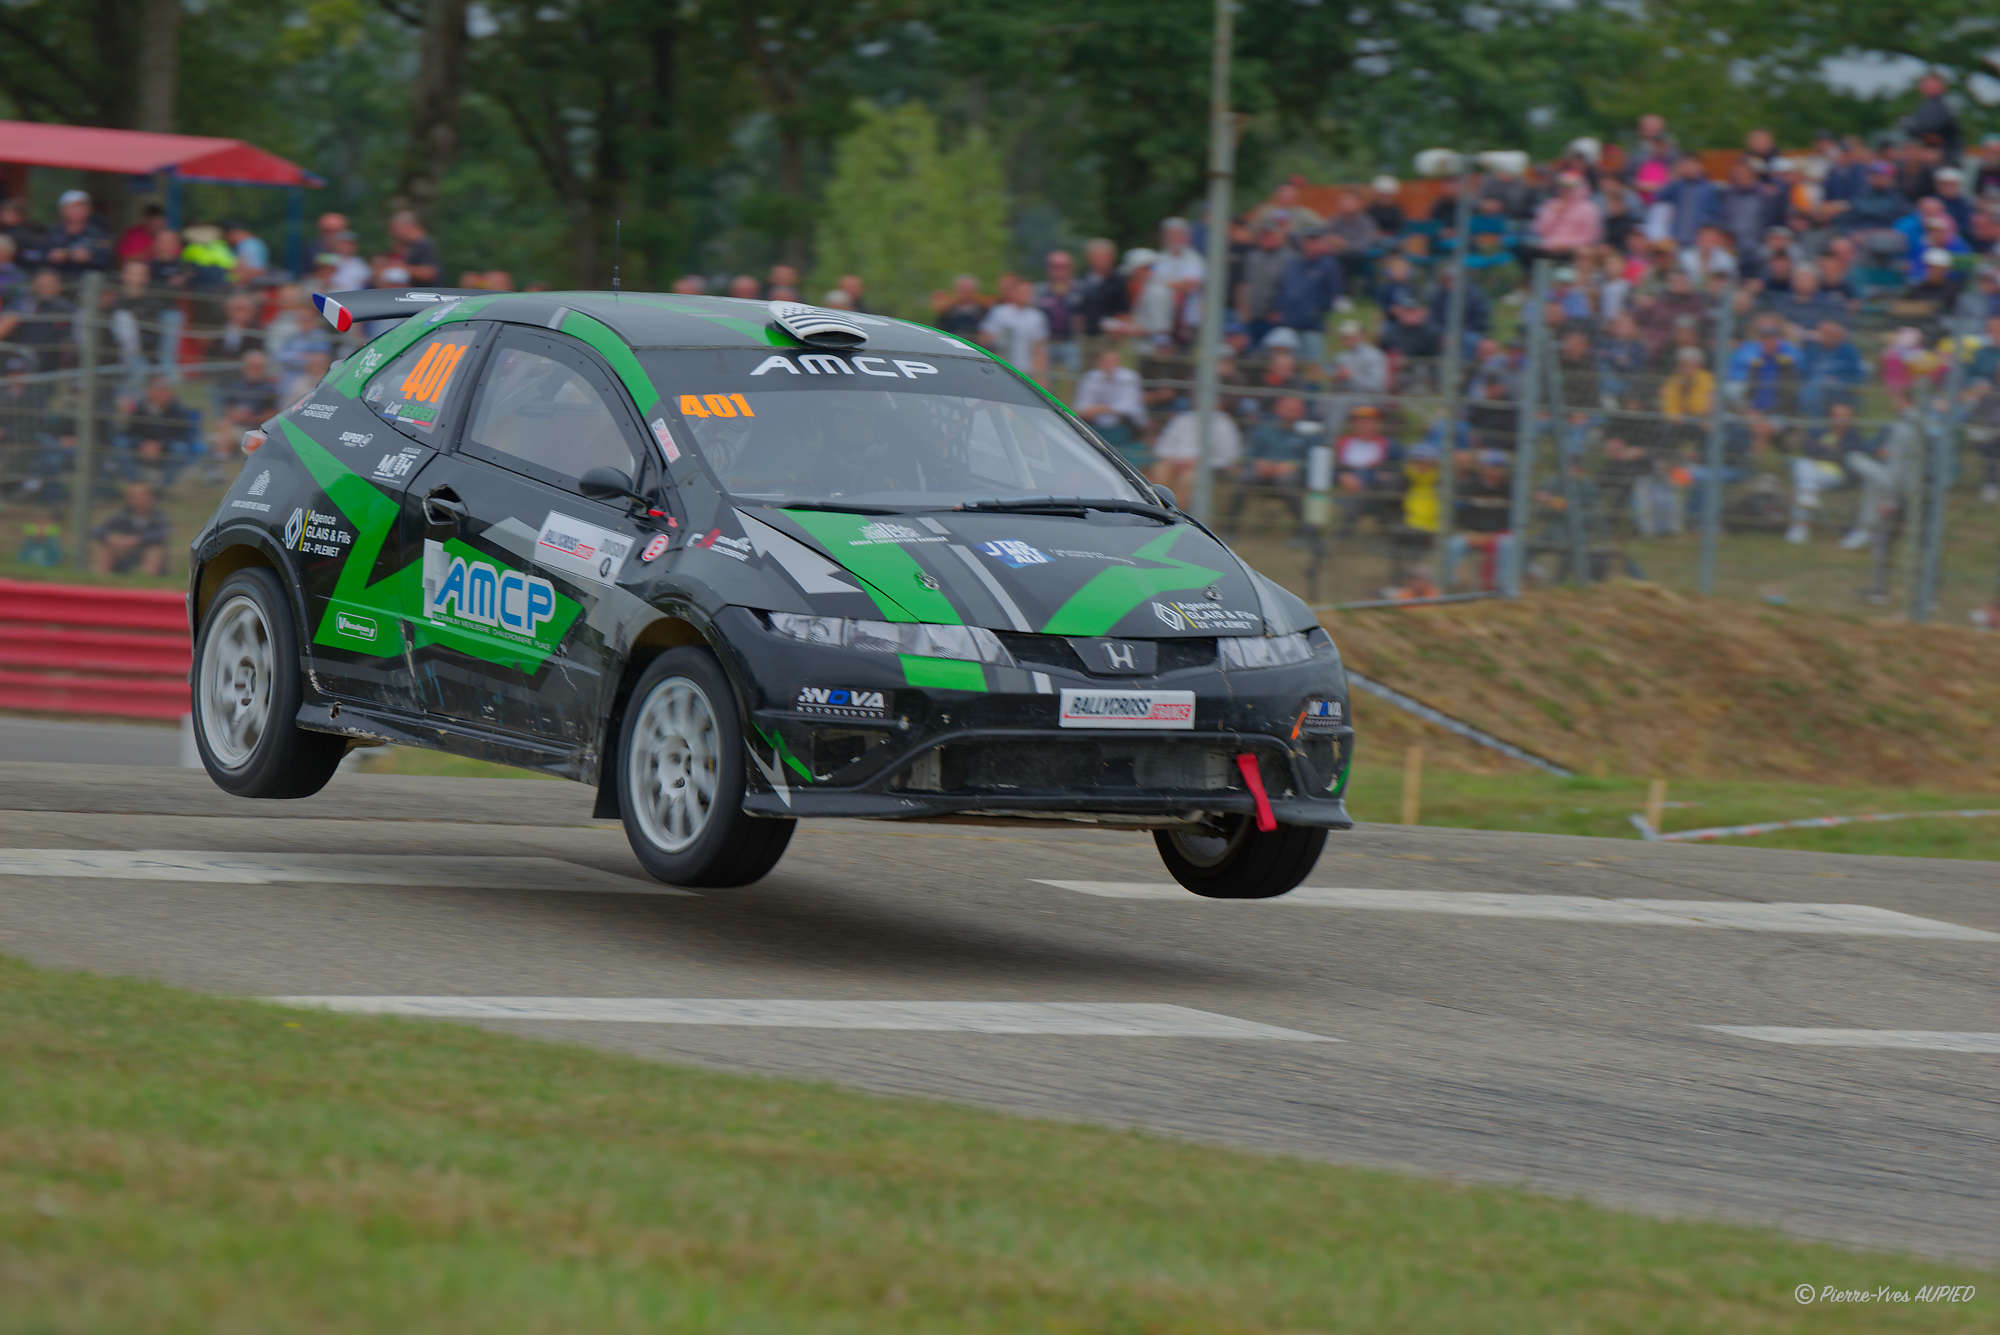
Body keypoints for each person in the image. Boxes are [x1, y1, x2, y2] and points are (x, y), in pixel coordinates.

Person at [1787, 399, 1866, 543]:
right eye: (1837, 416)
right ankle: (1801, 524)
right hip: (1814, 470)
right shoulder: (1821, 430)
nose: (1840, 420)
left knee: (1803, 478)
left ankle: (1799, 529)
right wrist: (1829, 451)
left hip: (1837, 475)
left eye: (1844, 416)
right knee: (1801, 465)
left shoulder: (1853, 436)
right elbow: (1807, 446)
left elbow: (1844, 457)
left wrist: (1822, 451)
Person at [1072, 347, 1146, 469]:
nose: (1109, 364)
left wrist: (1099, 409)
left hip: (1124, 428)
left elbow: (1129, 408)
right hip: (1095, 426)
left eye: (1113, 361)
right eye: (1106, 360)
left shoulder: (1130, 377)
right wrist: (1108, 410)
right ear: (1099, 361)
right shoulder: (1090, 377)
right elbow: (1081, 408)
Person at [1150, 402, 1241, 502]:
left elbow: (1227, 458)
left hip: (1203, 469)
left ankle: (1175, 512)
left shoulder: (1224, 423)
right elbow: (1163, 447)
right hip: (1174, 463)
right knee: (1160, 470)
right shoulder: (1183, 419)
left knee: (1188, 478)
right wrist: (1175, 461)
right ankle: (1154, 506)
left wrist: (1198, 463)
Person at [91, 481, 170, 576]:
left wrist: (137, 540)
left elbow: (162, 533)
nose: (137, 499)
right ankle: (100, 579)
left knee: (155, 551)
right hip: (124, 552)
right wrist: (111, 538)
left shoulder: (158, 516)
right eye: (133, 496)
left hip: (145, 550)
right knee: (107, 549)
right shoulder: (122, 515)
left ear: (151, 498)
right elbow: (99, 530)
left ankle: (146, 580)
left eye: (141, 496)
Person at [978, 276, 1049, 378]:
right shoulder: (999, 312)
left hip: (1026, 372)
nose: (1027, 295)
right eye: (1024, 292)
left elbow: (1039, 348)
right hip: (1001, 367)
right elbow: (984, 338)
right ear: (1015, 292)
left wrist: (1040, 376)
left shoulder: (1037, 317)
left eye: (1029, 292)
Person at [42, 190, 111, 281]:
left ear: (89, 210)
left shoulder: (99, 234)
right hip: (56, 279)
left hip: (87, 281)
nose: (76, 211)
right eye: (72, 207)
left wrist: (89, 257)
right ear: (62, 210)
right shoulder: (51, 233)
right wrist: (52, 256)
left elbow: (107, 259)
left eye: (81, 207)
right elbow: (36, 256)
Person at [388, 210, 440, 284]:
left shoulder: (425, 244)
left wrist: (400, 267)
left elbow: (430, 272)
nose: (392, 233)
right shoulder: (411, 245)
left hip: (427, 292)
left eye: (394, 228)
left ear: (405, 226)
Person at [935, 274, 987, 338]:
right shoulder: (946, 310)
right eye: (962, 288)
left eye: (968, 288)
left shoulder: (983, 308)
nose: (965, 292)